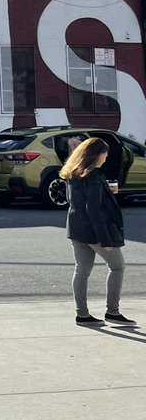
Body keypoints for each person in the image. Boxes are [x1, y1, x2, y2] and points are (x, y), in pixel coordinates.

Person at [62, 137, 132, 326]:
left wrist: (106, 193)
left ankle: (82, 314)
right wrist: (106, 239)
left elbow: (74, 202)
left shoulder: (72, 173)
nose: (107, 157)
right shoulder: (94, 176)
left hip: (76, 230)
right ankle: (112, 312)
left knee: (81, 270)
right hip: (96, 232)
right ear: (96, 155)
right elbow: (94, 210)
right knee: (117, 267)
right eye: (104, 153)